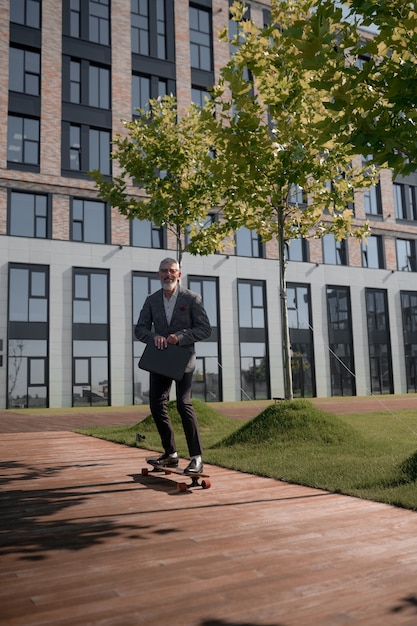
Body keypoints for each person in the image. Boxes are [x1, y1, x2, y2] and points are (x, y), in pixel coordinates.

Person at [135, 257, 211, 474]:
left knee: (183, 404)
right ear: (158, 275)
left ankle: (196, 458)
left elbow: (205, 329)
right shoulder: (151, 300)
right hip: (159, 359)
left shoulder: (192, 298)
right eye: (164, 271)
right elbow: (139, 329)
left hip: (183, 360)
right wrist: (153, 337)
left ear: (179, 274)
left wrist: (180, 336)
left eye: (172, 271)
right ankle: (171, 454)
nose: (168, 274)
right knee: (156, 405)